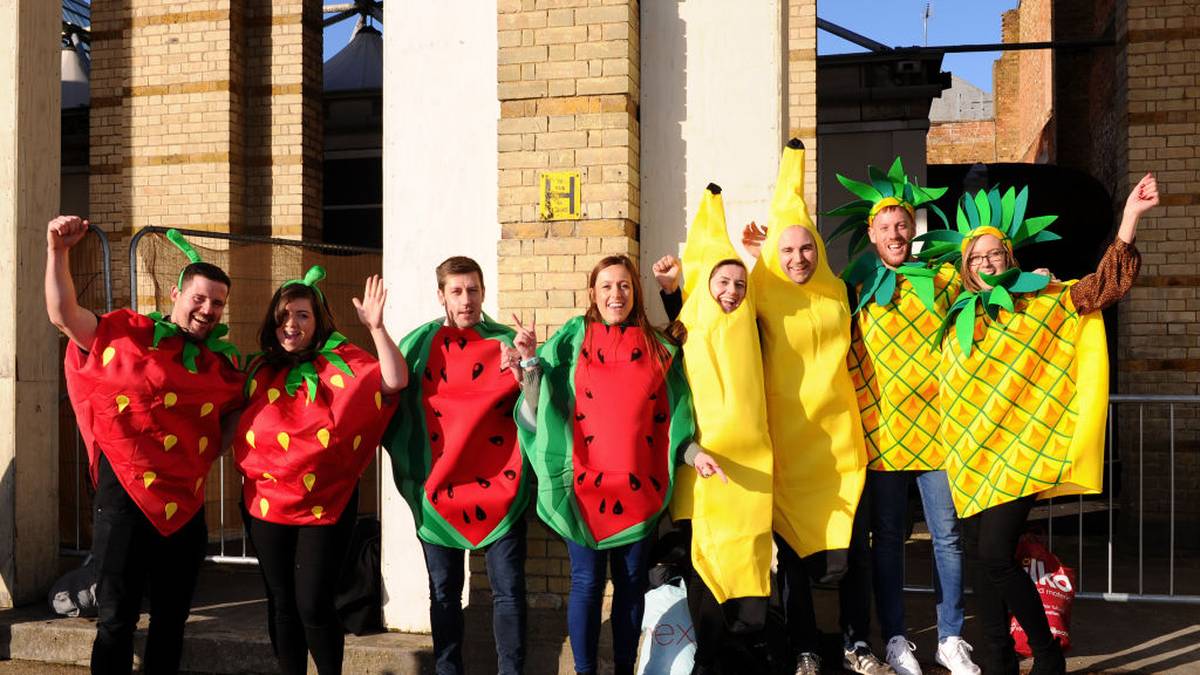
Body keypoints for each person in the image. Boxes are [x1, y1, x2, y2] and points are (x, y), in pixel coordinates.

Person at [916, 173, 1158, 675]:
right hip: (971, 458)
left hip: (1022, 454)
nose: (986, 263)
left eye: (995, 254)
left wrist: (1129, 218)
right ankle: (999, 660)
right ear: (965, 266)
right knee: (985, 564)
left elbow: (1102, 288)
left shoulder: (1040, 301)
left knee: (997, 557)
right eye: (976, 257)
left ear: (1010, 258)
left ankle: (1047, 654)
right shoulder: (958, 314)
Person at [48, 219, 244, 674]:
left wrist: (218, 444)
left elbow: (241, 406)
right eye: (199, 298)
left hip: (185, 507)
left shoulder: (220, 365)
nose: (207, 309)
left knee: (172, 619)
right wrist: (57, 252)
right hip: (125, 497)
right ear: (176, 295)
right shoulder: (126, 332)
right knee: (117, 617)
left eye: (217, 303)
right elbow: (64, 315)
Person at [826, 159, 980, 675]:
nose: (895, 233)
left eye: (903, 225)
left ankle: (951, 637)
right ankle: (895, 638)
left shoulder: (939, 279)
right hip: (883, 438)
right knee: (887, 541)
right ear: (870, 232)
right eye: (885, 226)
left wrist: (1032, 281)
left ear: (913, 229)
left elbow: (988, 287)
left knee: (948, 537)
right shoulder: (854, 290)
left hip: (939, 434)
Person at [741, 140, 885, 675]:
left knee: (855, 551)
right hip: (785, 447)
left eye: (806, 249)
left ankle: (856, 643)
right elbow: (719, 319)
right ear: (774, 254)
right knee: (795, 561)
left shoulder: (837, 293)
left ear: (818, 250)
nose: (798, 258)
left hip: (840, 447)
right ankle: (804, 645)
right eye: (787, 250)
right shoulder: (760, 292)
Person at [518, 255, 695, 675]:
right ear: (593, 295)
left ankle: (621, 668)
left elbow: (679, 400)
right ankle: (584, 671)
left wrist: (675, 290)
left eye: (624, 286)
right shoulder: (572, 338)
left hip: (639, 488)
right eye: (607, 286)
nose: (616, 294)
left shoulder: (659, 345)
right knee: (586, 584)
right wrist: (528, 362)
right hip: (583, 487)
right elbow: (538, 403)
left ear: (635, 292)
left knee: (632, 586)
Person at [233, 268, 405, 674]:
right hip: (264, 503)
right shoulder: (259, 369)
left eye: (302, 315)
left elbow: (393, 381)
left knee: (313, 602)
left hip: (326, 504)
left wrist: (377, 328)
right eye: (283, 316)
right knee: (281, 603)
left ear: (319, 321)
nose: (291, 324)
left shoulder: (344, 363)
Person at [384, 256, 531, 675]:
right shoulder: (419, 343)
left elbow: (539, 413)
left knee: (508, 592)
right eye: (457, 291)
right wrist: (376, 328)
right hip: (438, 492)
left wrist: (527, 366)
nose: (466, 299)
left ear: (484, 292)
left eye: (473, 290)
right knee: (444, 595)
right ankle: (447, 671)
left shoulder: (508, 342)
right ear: (441, 295)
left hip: (502, 489)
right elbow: (388, 397)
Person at [651, 183, 775, 675]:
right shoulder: (691, 327)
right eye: (722, 283)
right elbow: (682, 325)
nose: (731, 291)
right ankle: (710, 658)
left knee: (746, 559)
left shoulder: (752, 326)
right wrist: (671, 290)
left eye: (739, 284)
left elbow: (781, 310)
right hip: (702, 472)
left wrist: (760, 260)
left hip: (750, 471)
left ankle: (743, 654)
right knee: (705, 563)